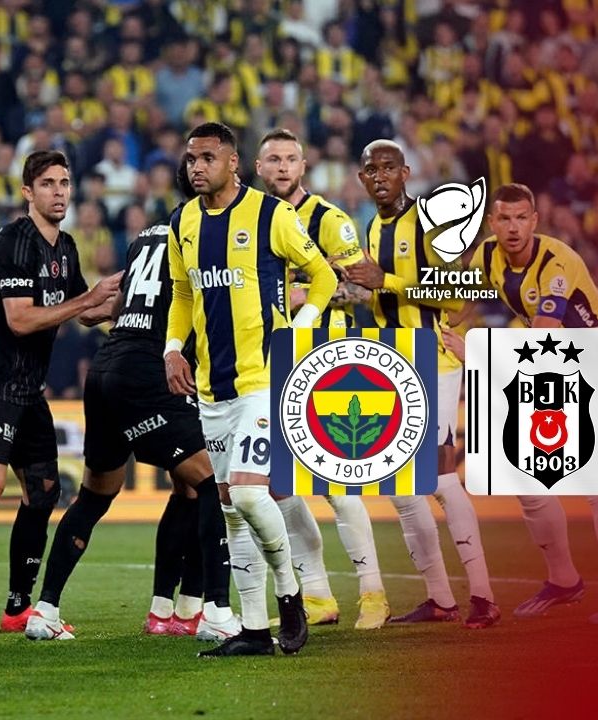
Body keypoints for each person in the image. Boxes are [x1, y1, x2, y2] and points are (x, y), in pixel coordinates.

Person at [25, 162, 238, 642]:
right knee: (214, 483)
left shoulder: (146, 236)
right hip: (149, 370)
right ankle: (215, 614)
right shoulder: (202, 234)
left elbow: (131, 301)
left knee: (101, 495)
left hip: (108, 367)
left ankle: (48, 610)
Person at [164, 122, 337, 657]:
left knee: (246, 493)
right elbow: (183, 293)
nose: (197, 167)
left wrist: (298, 330)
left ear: (233, 162)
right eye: (191, 158)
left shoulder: (271, 215)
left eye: (207, 158)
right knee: (231, 511)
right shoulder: (182, 221)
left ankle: (290, 593)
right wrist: (173, 348)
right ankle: (256, 630)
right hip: (212, 389)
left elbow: (324, 276)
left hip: (263, 380)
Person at [0, 150, 121, 640]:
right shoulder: (14, 241)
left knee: (44, 491)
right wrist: (89, 298)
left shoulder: (66, 247)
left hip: (28, 389)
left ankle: (17, 607)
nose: (59, 192)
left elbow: (86, 312)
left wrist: (132, 303)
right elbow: (20, 319)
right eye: (48, 184)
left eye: (64, 183)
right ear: (27, 192)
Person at [342, 139, 501, 629]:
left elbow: (460, 294)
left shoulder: (430, 223)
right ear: (362, 179)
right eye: (372, 170)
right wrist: (356, 293)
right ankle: (440, 599)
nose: (381, 176)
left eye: (389, 167)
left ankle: (483, 596)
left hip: (432, 361)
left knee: (439, 476)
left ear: (406, 173)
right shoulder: (374, 227)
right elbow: (386, 298)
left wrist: (385, 281)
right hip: (393, 365)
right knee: (402, 487)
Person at [467, 182, 598, 624]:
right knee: (524, 477)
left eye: (522, 218)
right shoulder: (485, 256)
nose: (513, 227)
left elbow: (544, 332)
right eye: (505, 218)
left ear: (535, 221)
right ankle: (563, 580)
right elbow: (459, 304)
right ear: (492, 223)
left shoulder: (556, 261)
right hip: (552, 366)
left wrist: (477, 353)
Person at [255, 128, 390, 630]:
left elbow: (364, 288)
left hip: (324, 357)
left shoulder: (329, 219)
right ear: (258, 167)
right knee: (278, 486)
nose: (282, 167)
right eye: (274, 159)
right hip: (268, 359)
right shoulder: (253, 218)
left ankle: (373, 592)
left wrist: (298, 294)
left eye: (291, 158)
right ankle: (316, 595)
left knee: (336, 483)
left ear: (303, 166)